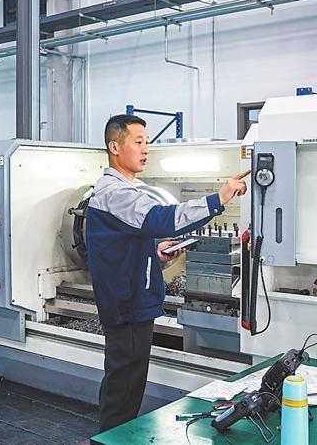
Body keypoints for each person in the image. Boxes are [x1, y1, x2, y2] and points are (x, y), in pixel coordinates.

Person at [85, 114, 250, 432]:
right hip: (127, 305)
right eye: (138, 142)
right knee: (124, 390)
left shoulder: (122, 190)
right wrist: (218, 199)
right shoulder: (115, 193)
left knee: (125, 384)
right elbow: (165, 219)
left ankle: (113, 435)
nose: (145, 149)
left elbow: (124, 245)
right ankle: (111, 438)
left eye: (147, 142)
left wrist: (155, 253)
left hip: (130, 301)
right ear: (114, 147)